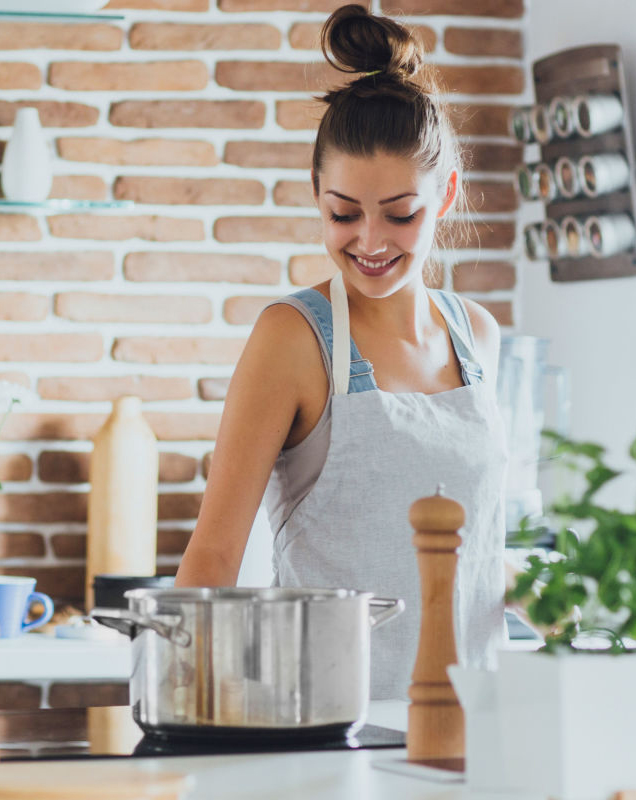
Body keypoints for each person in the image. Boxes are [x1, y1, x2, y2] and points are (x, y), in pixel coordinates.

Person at [174, 3, 509, 701]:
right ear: (316, 197)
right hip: (327, 724)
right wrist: (179, 716)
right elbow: (213, 553)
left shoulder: (477, 337)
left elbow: (480, 558)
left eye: (400, 212)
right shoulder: (295, 340)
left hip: (476, 719)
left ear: (445, 193)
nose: (370, 240)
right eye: (343, 213)